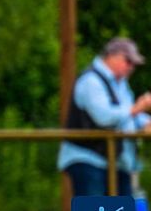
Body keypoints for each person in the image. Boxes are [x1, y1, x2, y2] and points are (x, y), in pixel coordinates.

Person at [59, 37, 151, 197]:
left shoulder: (121, 84)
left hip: (116, 162)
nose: (131, 67)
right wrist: (136, 109)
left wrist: (145, 123)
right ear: (112, 56)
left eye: (134, 64)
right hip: (88, 160)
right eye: (128, 61)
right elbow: (103, 117)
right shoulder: (90, 81)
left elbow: (127, 116)